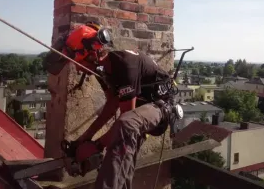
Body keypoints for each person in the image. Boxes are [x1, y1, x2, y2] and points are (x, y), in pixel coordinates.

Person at [71, 49, 181, 189]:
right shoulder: (102, 69)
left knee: (126, 126)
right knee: (124, 161)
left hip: (161, 107)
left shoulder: (125, 65)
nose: (76, 67)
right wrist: (85, 137)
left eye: (79, 61)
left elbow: (126, 117)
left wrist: (96, 146)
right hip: (142, 109)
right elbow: (112, 104)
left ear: (92, 54)